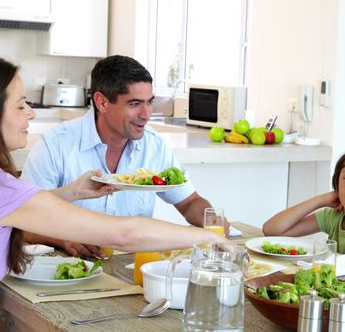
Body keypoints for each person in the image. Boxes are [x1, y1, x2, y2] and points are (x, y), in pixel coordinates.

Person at [0, 52, 225, 331]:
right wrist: (209, 238)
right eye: (21, 105)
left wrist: (72, 191)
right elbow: (122, 234)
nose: (32, 114)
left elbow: (2, 213)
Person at [21, 55, 228, 258]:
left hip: (133, 268)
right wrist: (63, 239)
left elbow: (189, 201)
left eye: (149, 102)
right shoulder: (55, 145)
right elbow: (23, 222)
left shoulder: (154, 146)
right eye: (135, 103)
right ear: (102, 103)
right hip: (74, 270)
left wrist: (213, 221)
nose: (146, 114)